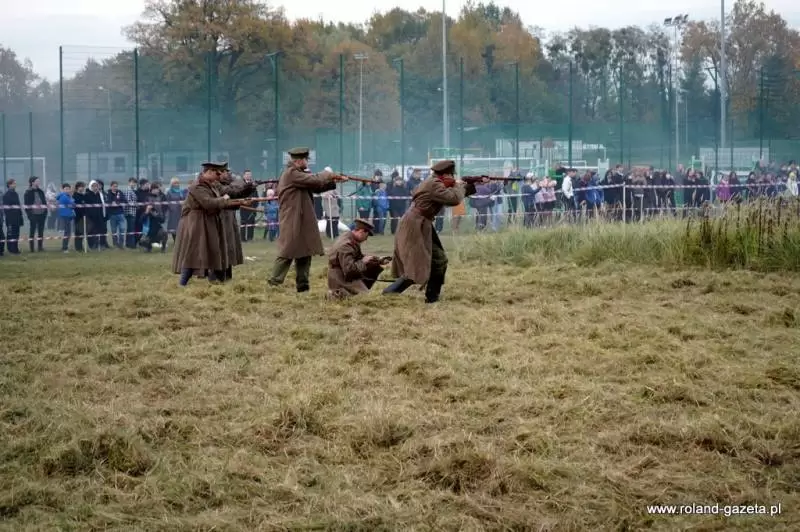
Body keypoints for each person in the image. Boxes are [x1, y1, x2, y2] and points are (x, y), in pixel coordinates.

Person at [382, 159, 477, 303]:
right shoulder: (434, 184)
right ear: (446, 174)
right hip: (415, 224)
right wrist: (460, 186)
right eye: (451, 175)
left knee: (439, 260)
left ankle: (432, 297)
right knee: (416, 264)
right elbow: (453, 199)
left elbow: (453, 195)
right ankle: (390, 294)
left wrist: (470, 186)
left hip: (422, 222)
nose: (453, 177)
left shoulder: (435, 182)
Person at [268, 147, 348, 292]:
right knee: (287, 251)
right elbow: (314, 179)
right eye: (306, 159)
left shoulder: (298, 174)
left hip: (302, 219)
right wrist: (328, 174)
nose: (307, 162)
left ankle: (303, 285)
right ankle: (274, 283)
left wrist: (333, 182)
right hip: (292, 219)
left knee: (305, 251)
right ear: (299, 161)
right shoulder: (292, 173)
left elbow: (315, 186)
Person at [172, 162, 233, 286]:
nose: (219, 176)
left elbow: (217, 201)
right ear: (209, 172)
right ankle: (182, 284)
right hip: (197, 223)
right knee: (193, 253)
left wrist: (237, 202)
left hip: (208, 222)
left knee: (213, 251)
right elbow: (208, 203)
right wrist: (224, 199)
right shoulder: (197, 186)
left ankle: (217, 281)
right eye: (217, 174)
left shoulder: (211, 185)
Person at [326, 218, 386, 300]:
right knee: (363, 297)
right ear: (361, 231)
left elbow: (357, 256)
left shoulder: (350, 237)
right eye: (367, 235)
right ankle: (335, 294)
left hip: (343, 272)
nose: (366, 239)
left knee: (373, 266)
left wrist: (378, 260)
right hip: (340, 276)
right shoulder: (346, 245)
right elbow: (349, 270)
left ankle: (351, 290)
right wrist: (363, 262)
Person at [217, 164, 256, 281]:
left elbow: (237, 194)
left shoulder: (228, 184)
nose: (228, 174)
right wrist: (245, 187)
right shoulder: (217, 185)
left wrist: (249, 188)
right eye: (225, 172)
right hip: (220, 219)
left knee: (230, 248)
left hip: (229, 218)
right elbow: (232, 192)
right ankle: (218, 277)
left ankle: (227, 276)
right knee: (221, 248)